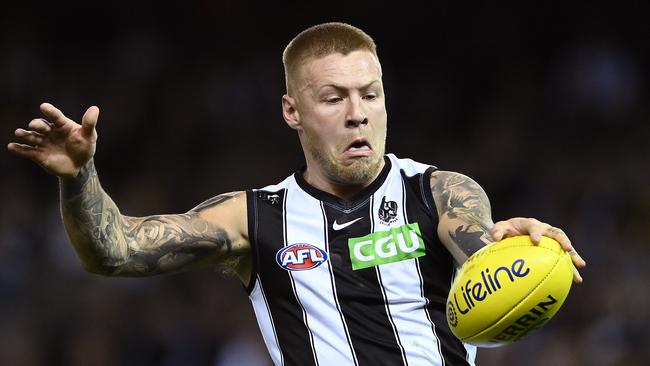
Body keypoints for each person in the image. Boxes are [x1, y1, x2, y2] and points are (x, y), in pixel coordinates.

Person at [7, 22, 585, 366]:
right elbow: (114, 252)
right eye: (334, 98)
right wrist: (78, 176)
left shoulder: (439, 191)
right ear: (293, 111)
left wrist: (505, 246)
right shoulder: (252, 218)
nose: (358, 114)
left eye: (371, 94)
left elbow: (480, 249)